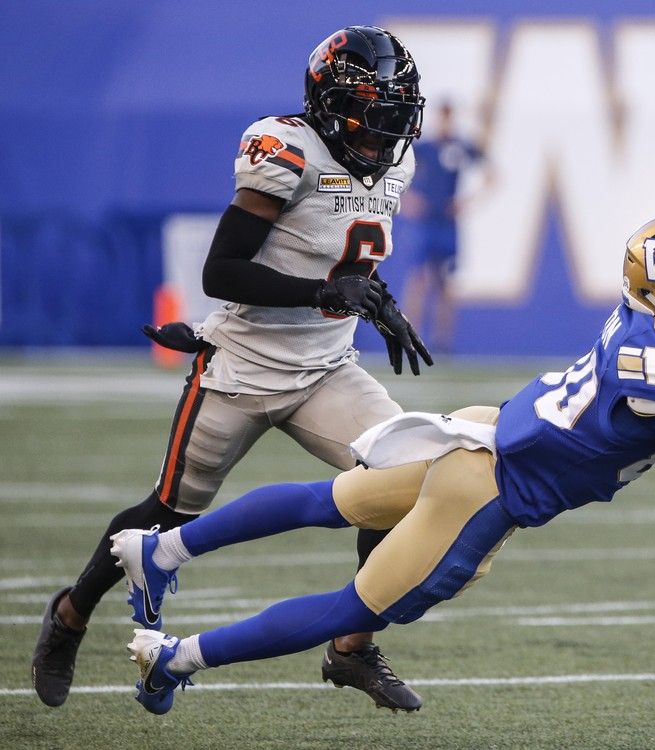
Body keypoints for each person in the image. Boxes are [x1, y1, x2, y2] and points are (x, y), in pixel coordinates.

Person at [108, 210, 655, 715]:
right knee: (353, 602)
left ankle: (164, 550)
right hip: (489, 488)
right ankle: (173, 658)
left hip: (487, 433)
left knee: (330, 500)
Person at [31, 25, 433, 713]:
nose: (382, 134)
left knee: (402, 482)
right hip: (242, 368)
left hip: (328, 369)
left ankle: (353, 649)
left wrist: (378, 301)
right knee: (165, 510)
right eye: (371, 115)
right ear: (331, 103)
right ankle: (69, 615)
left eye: (394, 116)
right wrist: (320, 294)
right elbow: (222, 271)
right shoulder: (285, 149)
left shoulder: (395, 165)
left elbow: (343, 258)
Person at [400, 102, 490, 353]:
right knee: (419, 279)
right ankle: (408, 336)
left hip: (447, 224)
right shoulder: (424, 148)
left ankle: (441, 342)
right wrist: (407, 200)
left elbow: (491, 174)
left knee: (446, 283)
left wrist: (468, 202)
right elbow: (396, 171)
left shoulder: (460, 147)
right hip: (426, 222)